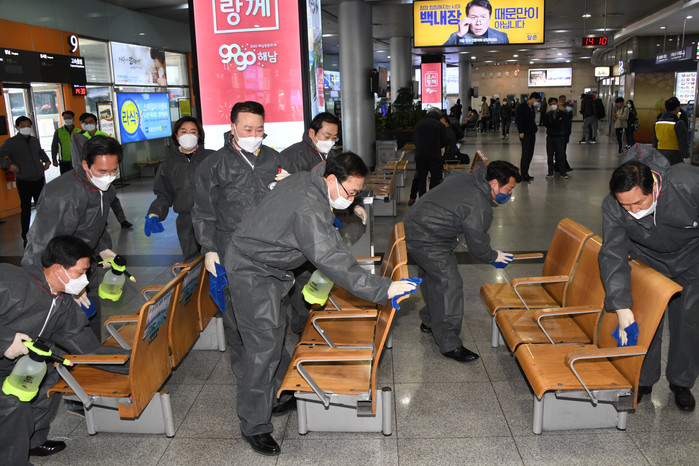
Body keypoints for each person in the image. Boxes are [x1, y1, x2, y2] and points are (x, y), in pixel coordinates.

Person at [223, 153, 417, 455]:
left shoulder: (310, 180)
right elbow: (329, 257)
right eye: (351, 192)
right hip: (253, 270)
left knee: (270, 335)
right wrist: (384, 288)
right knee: (262, 346)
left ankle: (275, 394)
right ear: (332, 179)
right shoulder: (309, 206)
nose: (351, 199)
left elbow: (328, 239)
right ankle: (255, 425)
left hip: (267, 263)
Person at [0, 235, 129, 464]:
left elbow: (86, 347)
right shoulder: (11, 282)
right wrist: (6, 340)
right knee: (14, 408)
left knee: (39, 386)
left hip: (12, 367)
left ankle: (28, 447)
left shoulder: (61, 301)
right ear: (58, 269)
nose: (84, 280)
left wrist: (134, 360)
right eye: (80, 272)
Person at [600, 146, 699, 412]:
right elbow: (613, 254)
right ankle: (643, 380)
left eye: (639, 203)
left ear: (654, 187)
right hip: (648, 259)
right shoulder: (613, 205)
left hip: (692, 260)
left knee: (689, 322)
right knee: (646, 322)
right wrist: (621, 306)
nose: (632, 211)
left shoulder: (688, 184)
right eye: (626, 206)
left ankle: (681, 382)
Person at [405, 160, 521, 362]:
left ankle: (431, 320)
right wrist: (492, 256)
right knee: (449, 284)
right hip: (428, 238)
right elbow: (478, 245)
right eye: (508, 189)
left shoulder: (466, 177)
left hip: (417, 223)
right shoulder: (479, 205)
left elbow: (455, 207)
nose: (509, 194)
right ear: (494, 184)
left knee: (433, 278)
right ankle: (449, 343)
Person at [22, 135, 123, 339]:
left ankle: (93, 354)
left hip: (84, 264)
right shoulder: (61, 195)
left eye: (113, 171)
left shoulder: (103, 187)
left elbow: (96, 223)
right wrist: (65, 283)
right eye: (102, 172)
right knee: (67, 330)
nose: (108, 177)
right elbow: (39, 247)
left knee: (90, 317)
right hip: (60, 273)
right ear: (85, 165)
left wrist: (103, 248)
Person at [278, 112, 369, 333]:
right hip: (301, 228)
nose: (330, 141)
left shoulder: (331, 156)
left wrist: (354, 204)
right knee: (303, 278)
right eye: (327, 136)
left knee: (319, 276)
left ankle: (315, 321)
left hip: (323, 224)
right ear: (312, 133)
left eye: (334, 138)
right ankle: (303, 329)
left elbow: (342, 184)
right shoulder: (292, 156)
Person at [146, 116, 214, 261]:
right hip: (186, 221)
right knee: (192, 261)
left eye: (193, 131)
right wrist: (154, 213)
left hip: (213, 219)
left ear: (199, 135)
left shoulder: (212, 158)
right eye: (183, 131)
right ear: (176, 136)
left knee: (216, 258)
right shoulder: (168, 165)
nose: (188, 135)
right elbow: (163, 195)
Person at [73, 112, 133, 229]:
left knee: (112, 198)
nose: (89, 124)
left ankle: (122, 220)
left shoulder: (103, 136)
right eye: (86, 123)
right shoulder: (81, 138)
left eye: (91, 122)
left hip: (104, 174)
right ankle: (101, 221)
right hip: (91, 175)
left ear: (96, 123)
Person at [0, 116, 51, 247]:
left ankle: (44, 233)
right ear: (17, 127)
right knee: (26, 209)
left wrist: (46, 160)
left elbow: (40, 152)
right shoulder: (11, 142)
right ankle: (25, 236)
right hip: (24, 180)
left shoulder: (34, 140)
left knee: (42, 207)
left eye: (28, 125)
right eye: (22, 126)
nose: (26, 128)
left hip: (39, 178)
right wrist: (8, 165)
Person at [408, 108, 449, 206]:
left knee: (421, 178)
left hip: (421, 155)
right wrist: (437, 146)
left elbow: (414, 139)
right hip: (434, 155)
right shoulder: (440, 125)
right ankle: (432, 199)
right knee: (435, 178)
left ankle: (422, 200)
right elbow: (444, 141)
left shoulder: (419, 124)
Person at [442, 0, 509, 45]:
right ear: (467, 18)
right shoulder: (457, 36)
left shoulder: (502, 37)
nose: (478, 23)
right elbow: (442, 53)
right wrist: (460, 34)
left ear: (489, 18)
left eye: (483, 17)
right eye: (474, 17)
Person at [653, 96, 689, 165]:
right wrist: (685, 155)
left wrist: (654, 151)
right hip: (674, 155)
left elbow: (655, 139)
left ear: (665, 108)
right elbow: (683, 141)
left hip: (659, 153)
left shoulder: (657, 123)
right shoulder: (678, 123)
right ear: (677, 108)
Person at [515, 92, 540, 182]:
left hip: (532, 132)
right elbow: (518, 120)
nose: (537, 102)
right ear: (533, 98)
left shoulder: (531, 107)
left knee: (530, 153)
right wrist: (521, 131)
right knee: (525, 154)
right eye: (537, 100)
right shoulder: (522, 107)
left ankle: (526, 173)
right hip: (525, 133)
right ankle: (523, 174)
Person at [543, 97, 569, 179]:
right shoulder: (548, 114)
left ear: (557, 103)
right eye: (550, 104)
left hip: (560, 137)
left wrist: (554, 123)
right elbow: (547, 124)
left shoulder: (562, 114)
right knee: (550, 155)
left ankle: (563, 172)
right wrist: (556, 122)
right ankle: (550, 172)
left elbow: (564, 124)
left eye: (554, 104)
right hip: (550, 137)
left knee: (561, 155)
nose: (552, 105)